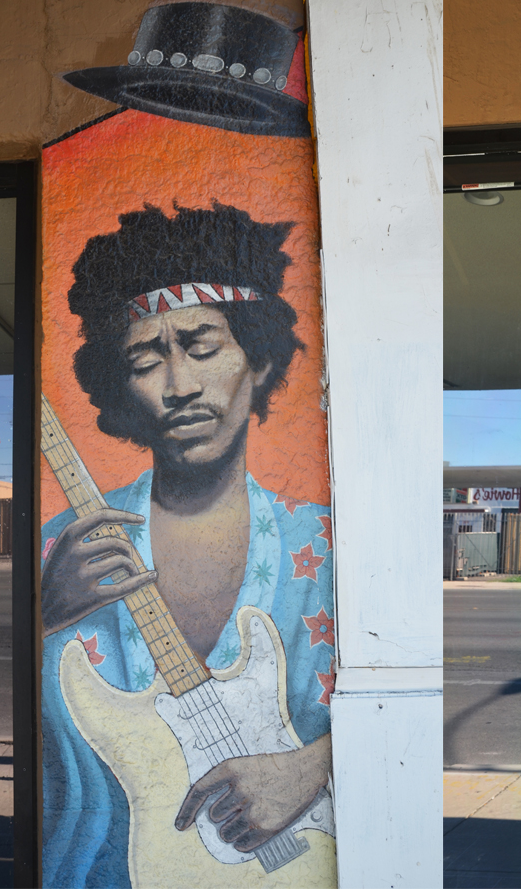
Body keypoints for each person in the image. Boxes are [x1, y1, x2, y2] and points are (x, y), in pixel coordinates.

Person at [40, 203, 335, 887]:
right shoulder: (63, 547)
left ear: (259, 359)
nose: (180, 386)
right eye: (146, 360)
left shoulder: (322, 541)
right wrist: (43, 613)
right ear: (121, 387)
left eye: (203, 348)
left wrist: (313, 765)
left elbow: (412, 688)